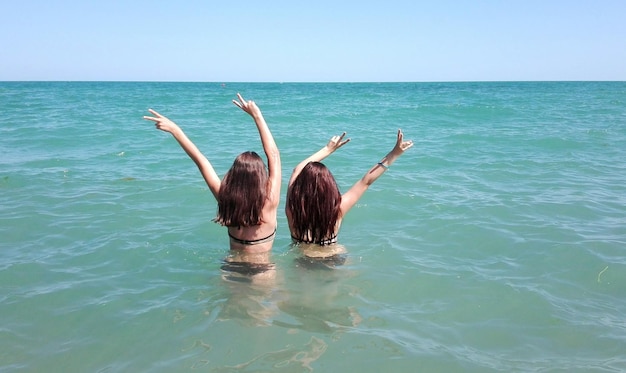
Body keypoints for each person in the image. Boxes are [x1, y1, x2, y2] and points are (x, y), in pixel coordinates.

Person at [143, 93, 281, 254]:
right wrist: (257, 115)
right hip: (262, 272)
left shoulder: (226, 199)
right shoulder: (270, 201)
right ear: (261, 177)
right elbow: (274, 155)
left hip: (231, 268)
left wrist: (176, 130)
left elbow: (201, 161)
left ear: (234, 176)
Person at [286, 129, 413, 257]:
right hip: (333, 259)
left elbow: (297, 170)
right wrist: (394, 154)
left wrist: (327, 149)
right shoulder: (337, 210)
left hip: (303, 260)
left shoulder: (292, 210)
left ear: (300, 186)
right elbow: (366, 181)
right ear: (329, 186)